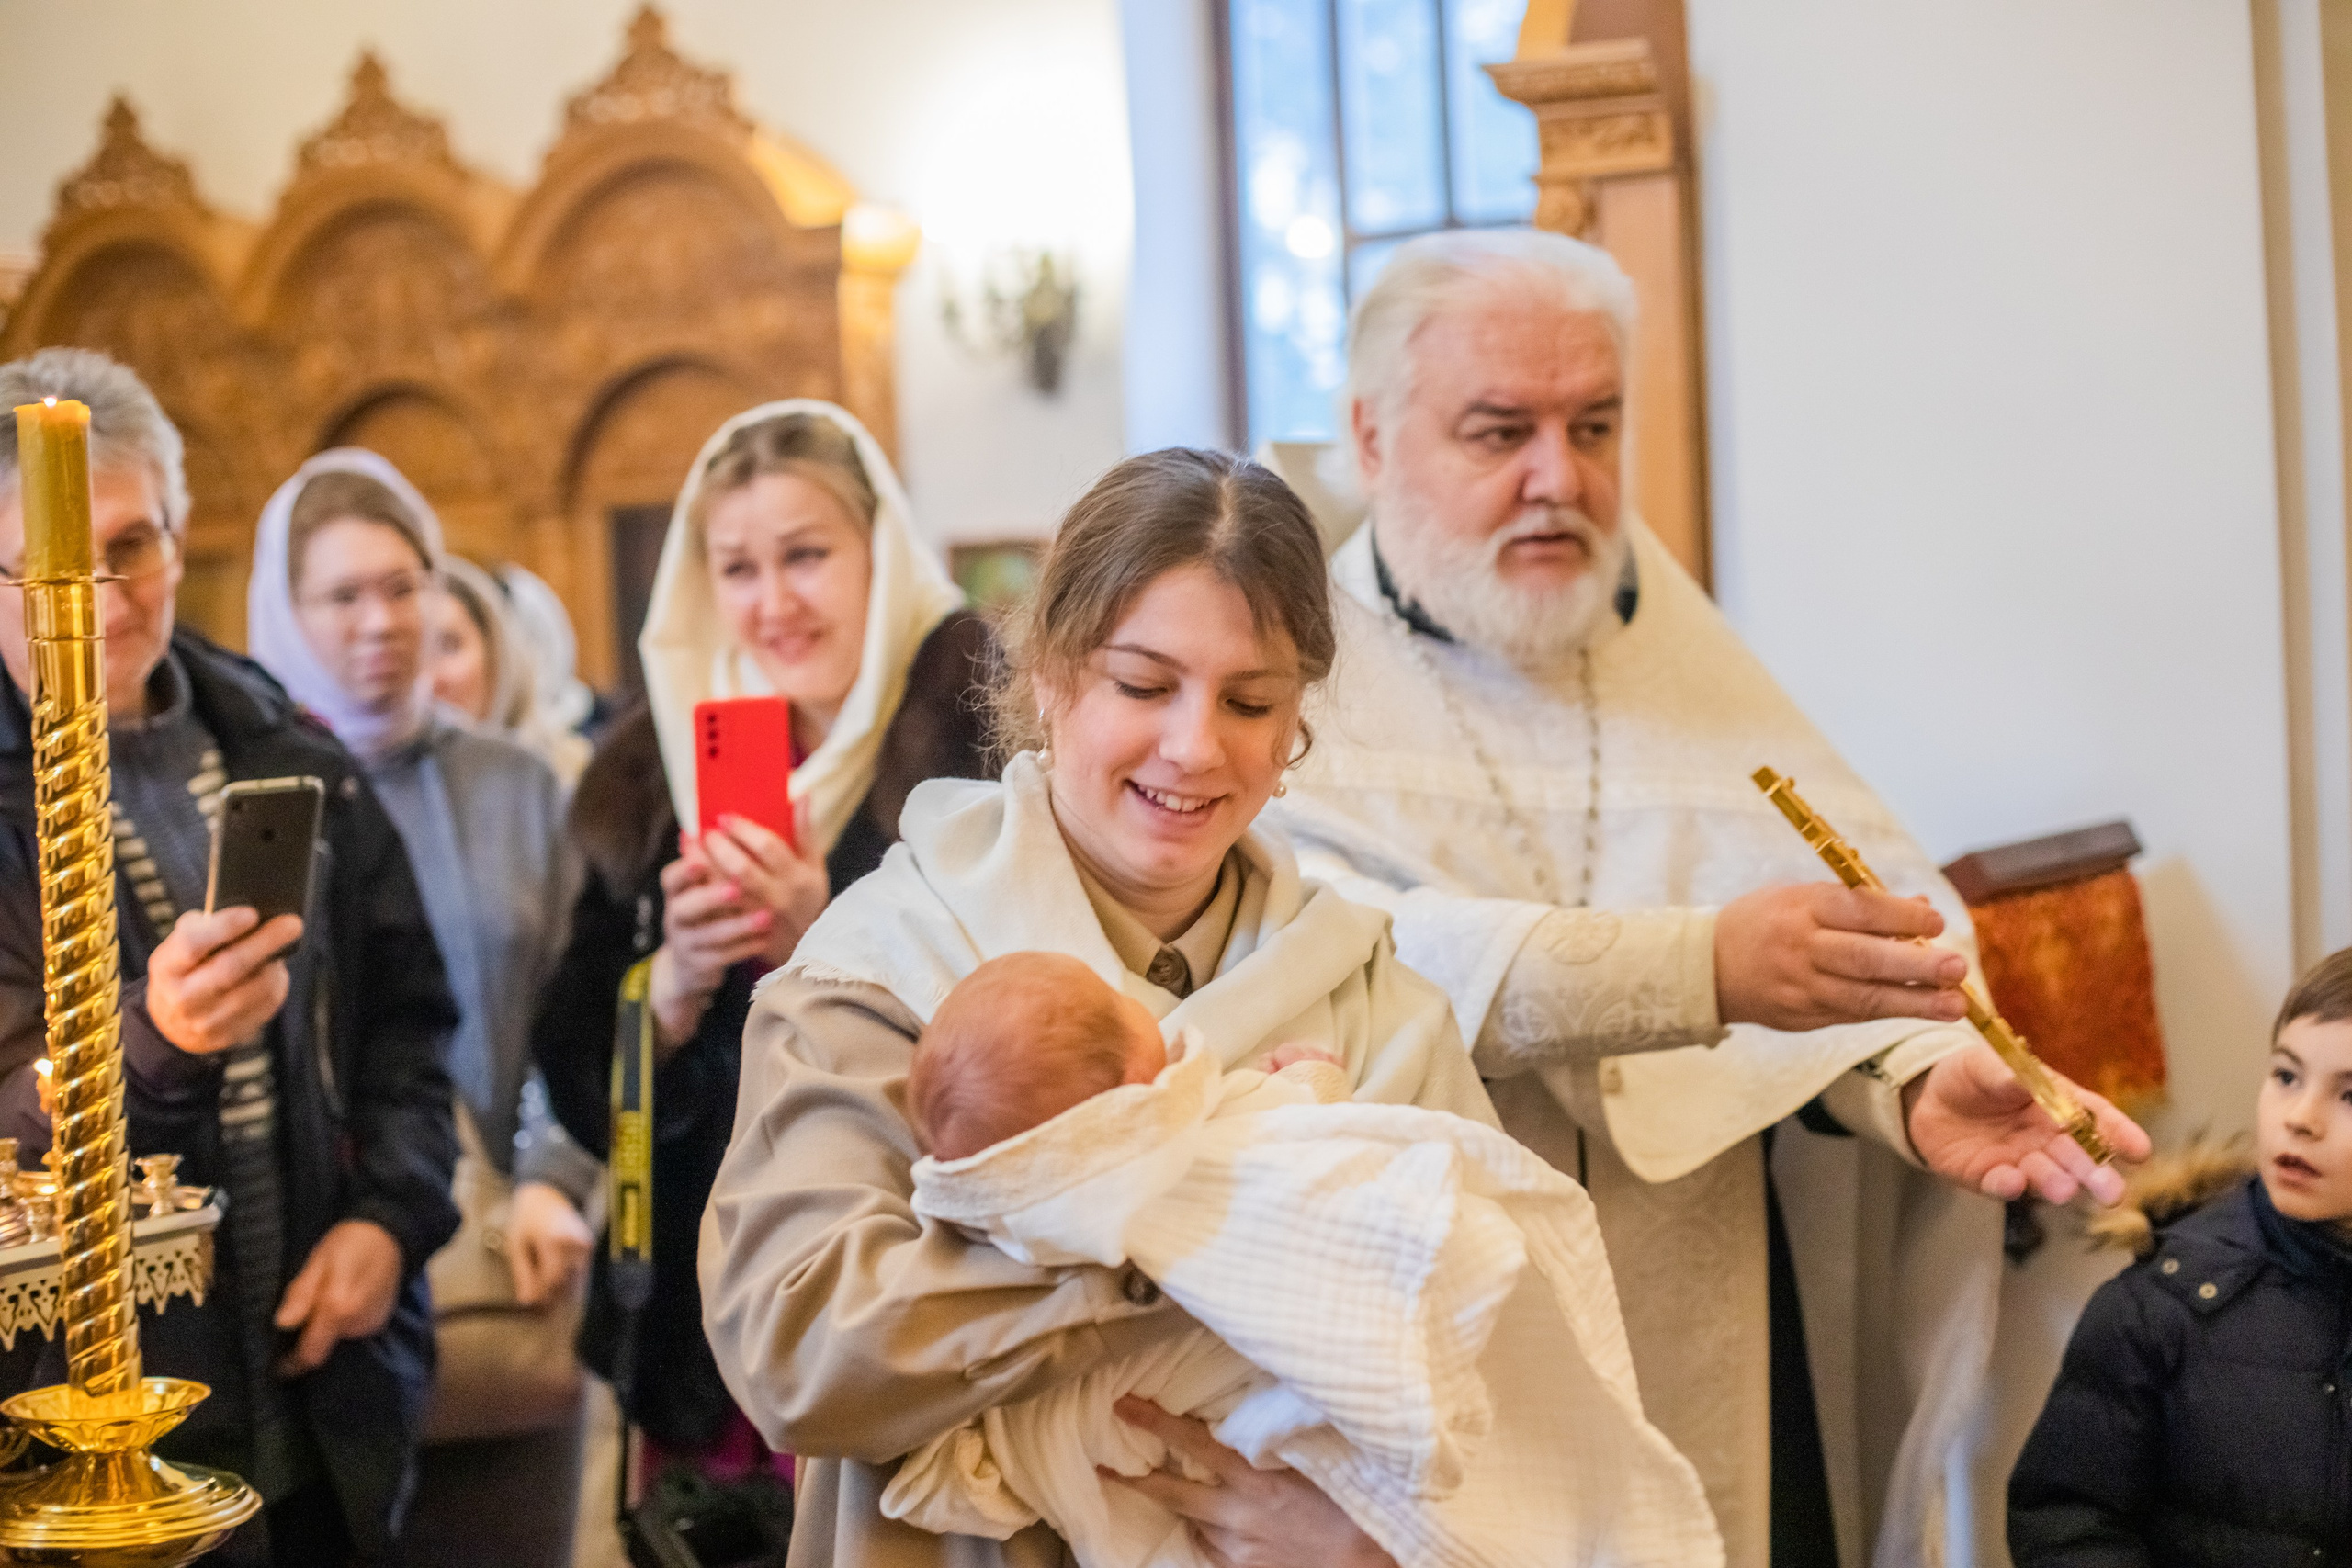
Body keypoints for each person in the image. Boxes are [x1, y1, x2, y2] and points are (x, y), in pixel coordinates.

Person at [1263, 228, 2151, 1567]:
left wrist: (1906, 1079)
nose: (1560, 477)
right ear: (1372, 438)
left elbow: (1859, 910)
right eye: (1500, 431)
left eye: (1594, 425)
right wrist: (1700, 969)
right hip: (1435, 1313)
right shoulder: (1286, 684)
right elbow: (1345, 955)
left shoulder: (1678, 651)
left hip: (1712, 1305)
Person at [700, 446, 1720, 1567]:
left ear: (1293, 728)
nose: (1194, 746)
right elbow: (800, 1353)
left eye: (1249, 701)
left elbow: (1498, 1352)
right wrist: (1171, 1232)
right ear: (1051, 677)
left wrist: (1375, 1545)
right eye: (1143, 686)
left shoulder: (1371, 995)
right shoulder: (880, 972)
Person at [0, 350, 460, 1566]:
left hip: (320, 1373)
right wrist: (152, 1047)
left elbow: (409, 1020)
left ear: (181, 529)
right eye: (54, 562)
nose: (104, 597)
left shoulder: (275, 738)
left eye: (134, 544)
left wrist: (390, 1218)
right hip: (80, 1410)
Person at [886, 951, 1713, 1568]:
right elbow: (1300, 1167)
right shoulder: (1188, 1136)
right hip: (1264, 1411)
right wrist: (1313, 1084)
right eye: (1115, 999)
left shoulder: (1008, 1239)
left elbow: (985, 1447)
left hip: (1156, 1464)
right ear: (1135, 1080)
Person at [534, 400, 994, 1488]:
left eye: (806, 555)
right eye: (737, 568)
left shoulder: (983, 733)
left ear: (878, 548)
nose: (773, 602)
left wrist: (824, 939)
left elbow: (1032, 1017)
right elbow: (574, 1075)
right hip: (701, 1306)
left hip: (909, 1291)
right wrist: (670, 990)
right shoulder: (657, 767)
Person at [245, 449, 596, 1568]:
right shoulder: (252, 802)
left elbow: (581, 1013)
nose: (381, 621)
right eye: (342, 594)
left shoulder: (518, 784)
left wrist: (555, 1176)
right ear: (287, 613)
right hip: (315, 1294)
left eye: (404, 586)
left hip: (511, 1264)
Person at [2007, 949, 2352, 1565]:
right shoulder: (2160, 1304)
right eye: (2286, 1076)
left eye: (2350, 1095)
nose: (2300, 1119)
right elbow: (2066, 1520)